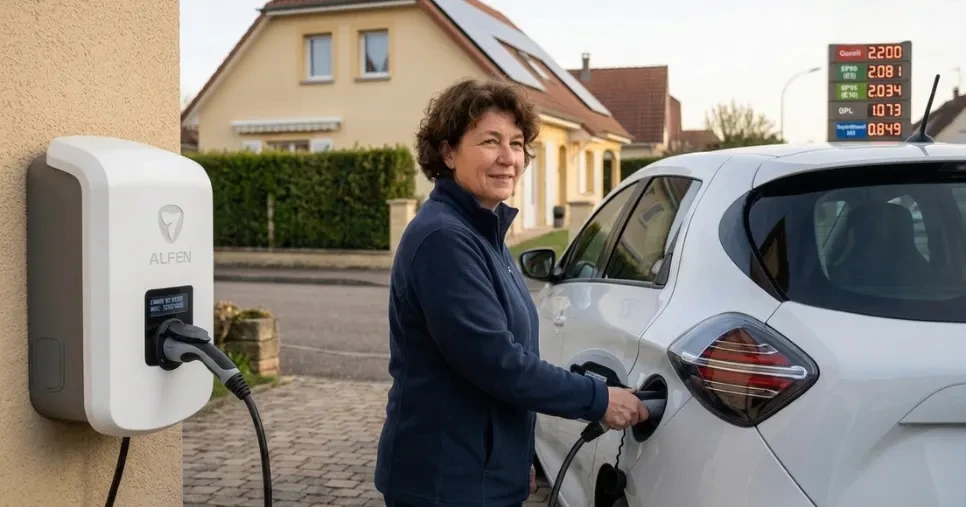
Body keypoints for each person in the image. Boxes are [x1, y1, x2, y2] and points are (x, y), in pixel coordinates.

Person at [374, 78, 648, 506]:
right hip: (445, 482)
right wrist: (597, 399)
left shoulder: (484, 231)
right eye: (490, 141)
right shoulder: (443, 240)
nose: (508, 158)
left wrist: (518, 455)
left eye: (517, 144)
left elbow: (507, 362)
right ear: (448, 152)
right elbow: (497, 362)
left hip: (480, 472)